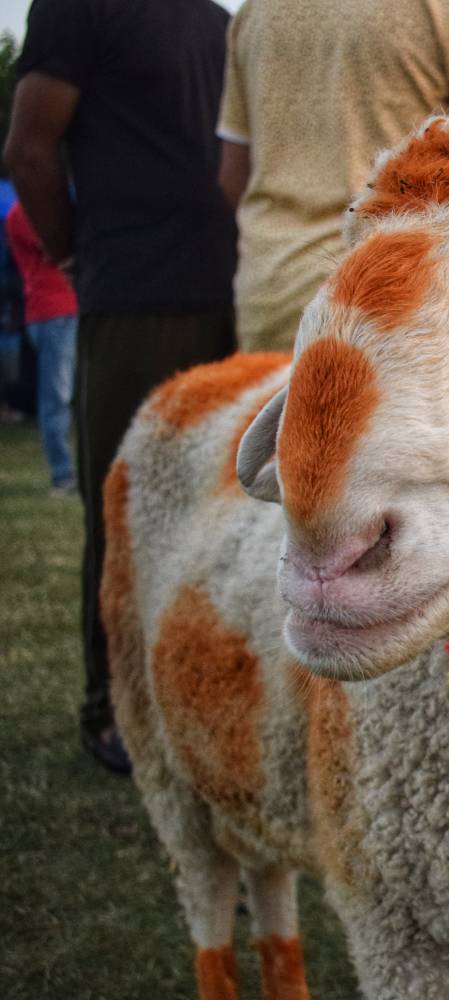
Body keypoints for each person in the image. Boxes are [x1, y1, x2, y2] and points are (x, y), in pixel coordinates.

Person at [4, 0, 239, 773]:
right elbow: (29, 151)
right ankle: (110, 711)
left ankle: (196, 704)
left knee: (223, 521)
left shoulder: (220, 22)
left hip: (230, 291)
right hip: (134, 293)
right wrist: (74, 257)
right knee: (126, 511)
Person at [217, 0, 449, 351]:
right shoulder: (448, 7)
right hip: (392, 302)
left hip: (270, 295)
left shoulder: (256, 12)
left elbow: (232, 176)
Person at [4, 199, 77, 496]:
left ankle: (72, 474)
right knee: (56, 398)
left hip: (59, 309)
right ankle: (62, 476)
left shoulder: (25, 211)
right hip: (52, 311)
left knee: (63, 396)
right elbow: (57, 247)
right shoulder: (24, 212)